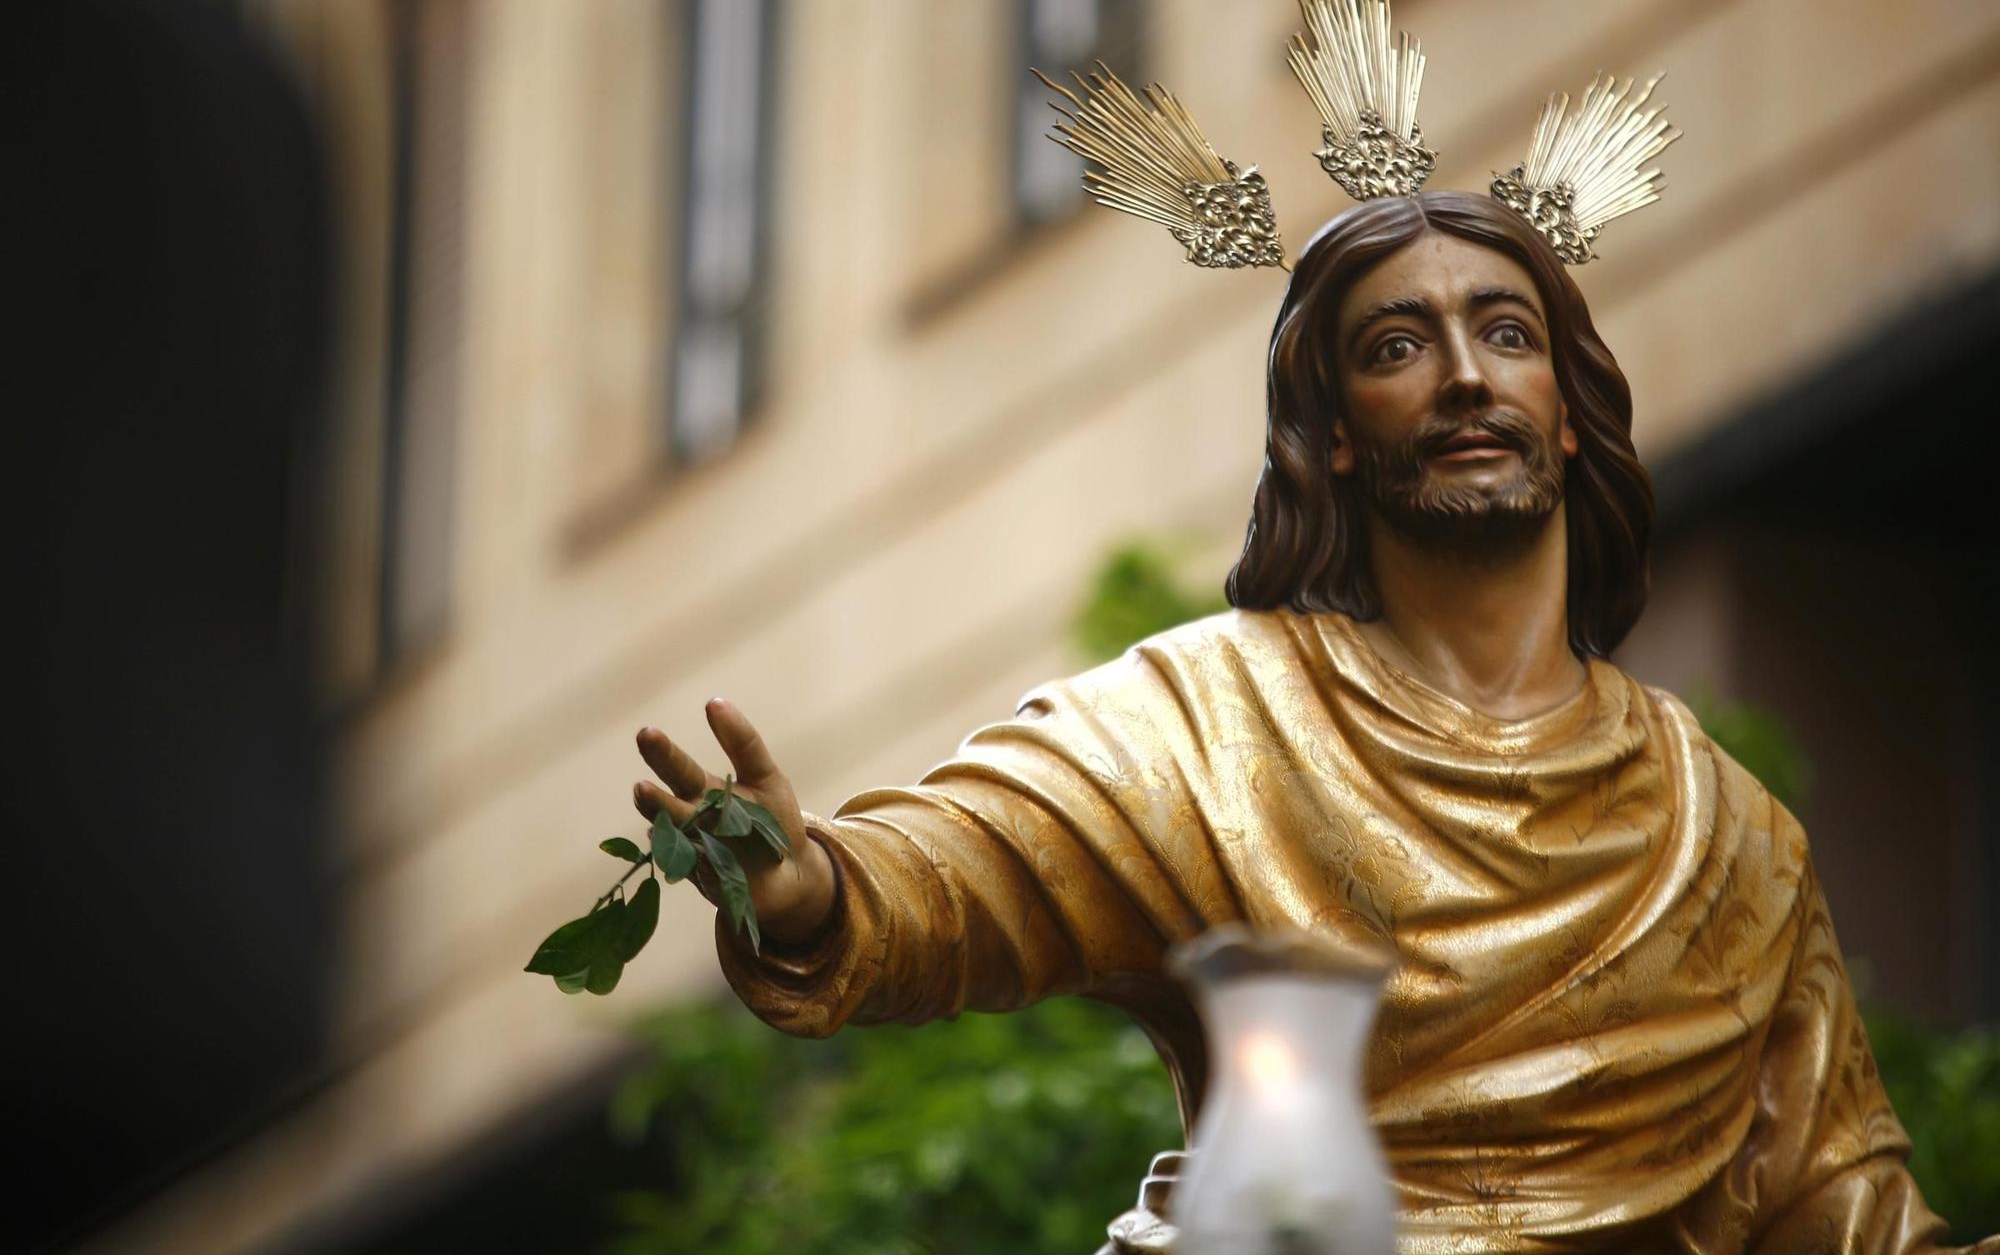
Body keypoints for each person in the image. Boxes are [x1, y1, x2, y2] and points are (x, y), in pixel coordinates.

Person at [626, 191, 1995, 1251]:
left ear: (1568, 415)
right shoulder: (1212, 723)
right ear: (1333, 433)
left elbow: (1842, 1213)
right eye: (1401, 345)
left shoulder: (1731, 839)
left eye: (1507, 335)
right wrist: (820, 893)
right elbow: (976, 863)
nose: (1466, 377)